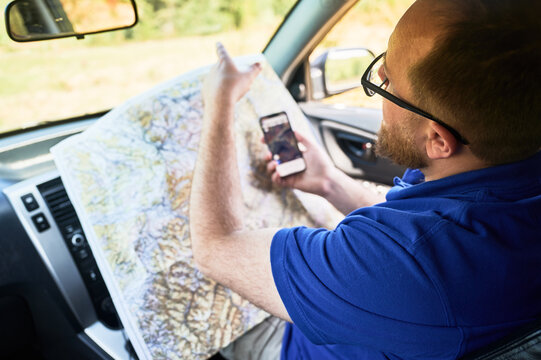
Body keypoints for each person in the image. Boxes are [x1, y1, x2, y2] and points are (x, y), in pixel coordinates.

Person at [189, 0, 541, 358]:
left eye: (387, 83)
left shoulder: (403, 267)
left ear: (438, 140)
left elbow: (214, 247)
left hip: (292, 345)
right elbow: (420, 231)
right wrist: (329, 181)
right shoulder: (507, 187)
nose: (378, 85)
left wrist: (219, 101)